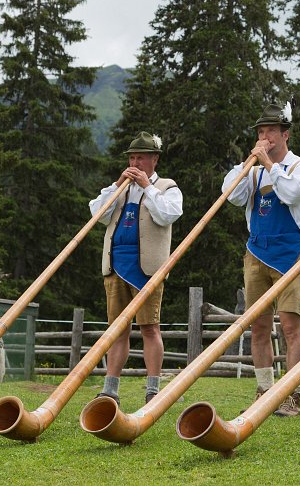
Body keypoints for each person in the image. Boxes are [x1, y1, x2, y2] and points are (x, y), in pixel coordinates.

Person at [223, 102, 300, 417]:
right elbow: (231, 195)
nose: (265, 138)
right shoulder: (252, 171)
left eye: (271, 132)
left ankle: (292, 396)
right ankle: (264, 391)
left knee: (291, 327)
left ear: (285, 134)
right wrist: (247, 165)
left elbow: (292, 195)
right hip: (256, 251)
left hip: (290, 252)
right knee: (259, 327)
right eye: (261, 132)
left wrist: (269, 165)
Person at [89, 131, 183, 405]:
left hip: (147, 270)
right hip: (116, 265)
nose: (135, 162)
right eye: (131, 157)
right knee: (116, 330)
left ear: (154, 159)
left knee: (149, 328)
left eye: (140, 157)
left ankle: (153, 389)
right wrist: (116, 184)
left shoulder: (167, 187)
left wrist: (147, 187)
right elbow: (98, 214)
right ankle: (110, 390)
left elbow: (168, 214)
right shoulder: (120, 188)